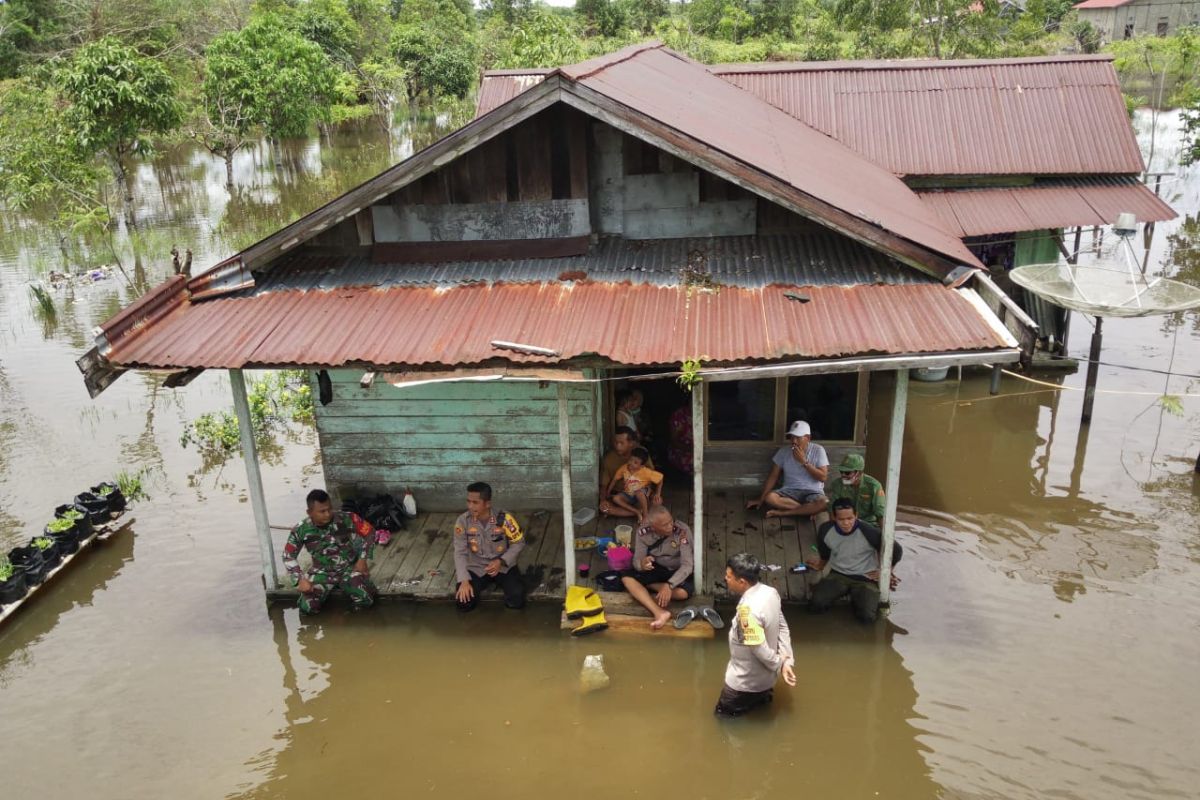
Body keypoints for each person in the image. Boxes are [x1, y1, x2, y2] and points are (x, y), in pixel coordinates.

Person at [714, 552, 796, 718]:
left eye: (729, 576)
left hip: (743, 684)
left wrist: (780, 664)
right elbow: (782, 626)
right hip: (766, 681)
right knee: (762, 714)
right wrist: (786, 660)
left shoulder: (748, 612)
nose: (725, 579)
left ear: (742, 582)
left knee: (723, 722)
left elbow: (758, 648)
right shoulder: (770, 592)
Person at [806, 498, 903, 623]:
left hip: (866, 578)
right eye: (841, 519)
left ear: (856, 515)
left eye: (850, 518)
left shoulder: (869, 532)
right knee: (816, 604)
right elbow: (824, 550)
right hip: (839, 574)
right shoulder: (825, 530)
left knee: (867, 617)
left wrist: (886, 571)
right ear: (834, 518)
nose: (846, 523)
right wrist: (821, 564)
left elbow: (896, 550)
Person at [283, 489, 377, 615]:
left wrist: (362, 559)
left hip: (349, 569)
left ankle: (351, 623)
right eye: (322, 511)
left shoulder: (346, 518)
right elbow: (288, 556)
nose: (327, 514)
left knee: (366, 599)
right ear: (310, 512)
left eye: (329, 509)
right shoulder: (301, 530)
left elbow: (370, 532)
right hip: (322, 574)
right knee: (308, 608)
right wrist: (299, 579)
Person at [453, 481, 527, 611]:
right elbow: (460, 552)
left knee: (517, 599)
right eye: (468, 501)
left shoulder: (504, 518)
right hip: (476, 567)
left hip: (502, 566)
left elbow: (519, 542)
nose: (470, 506)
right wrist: (464, 581)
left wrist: (501, 561)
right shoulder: (462, 521)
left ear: (487, 503)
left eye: (475, 503)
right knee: (463, 602)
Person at [620, 505, 694, 629]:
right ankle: (659, 612)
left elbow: (687, 565)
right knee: (626, 578)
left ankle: (647, 588)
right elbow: (637, 561)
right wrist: (642, 564)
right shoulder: (643, 533)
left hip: (677, 570)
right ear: (653, 526)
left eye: (671, 521)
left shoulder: (682, 531)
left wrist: (670, 585)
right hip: (657, 567)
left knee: (682, 593)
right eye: (665, 525)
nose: (670, 526)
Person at [745, 420, 829, 519]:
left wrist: (804, 462)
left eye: (798, 437)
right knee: (770, 498)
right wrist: (761, 499)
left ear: (808, 438)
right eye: (792, 437)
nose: (794, 441)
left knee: (825, 503)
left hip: (813, 492)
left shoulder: (818, 450)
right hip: (789, 492)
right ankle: (807, 510)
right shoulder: (784, 451)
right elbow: (773, 476)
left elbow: (823, 477)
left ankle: (783, 513)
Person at [599, 427, 654, 512]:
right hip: (619, 495)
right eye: (616, 442)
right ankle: (638, 512)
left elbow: (651, 476)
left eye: (621, 443)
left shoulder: (641, 453)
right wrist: (603, 500)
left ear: (631, 443)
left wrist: (648, 493)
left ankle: (633, 511)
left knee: (654, 502)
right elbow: (604, 485)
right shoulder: (609, 459)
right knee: (604, 509)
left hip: (638, 493)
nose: (617, 446)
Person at [605, 446, 663, 520]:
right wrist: (608, 492)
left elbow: (660, 479)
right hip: (629, 494)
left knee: (639, 493)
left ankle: (645, 516)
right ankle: (636, 511)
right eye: (631, 459)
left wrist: (658, 494)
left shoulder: (646, 472)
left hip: (642, 495)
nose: (631, 463)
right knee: (616, 498)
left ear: (641, 466)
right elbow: (614, 480)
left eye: (635, 462)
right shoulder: (624, 468)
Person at [827, 453, 886, 526]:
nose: (843, 475)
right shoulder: (837, 484)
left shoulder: (874, 486)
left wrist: (885, 536)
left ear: (859, 473)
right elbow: (832, 510)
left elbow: (880, 513)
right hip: (845, 524)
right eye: (841, 472)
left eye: (847, 472)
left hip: (867, 524)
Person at [667, 403, 693, 475]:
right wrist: (691, 449)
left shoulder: (706, 412)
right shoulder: (679, 415)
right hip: (681, 450)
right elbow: (674, 441)